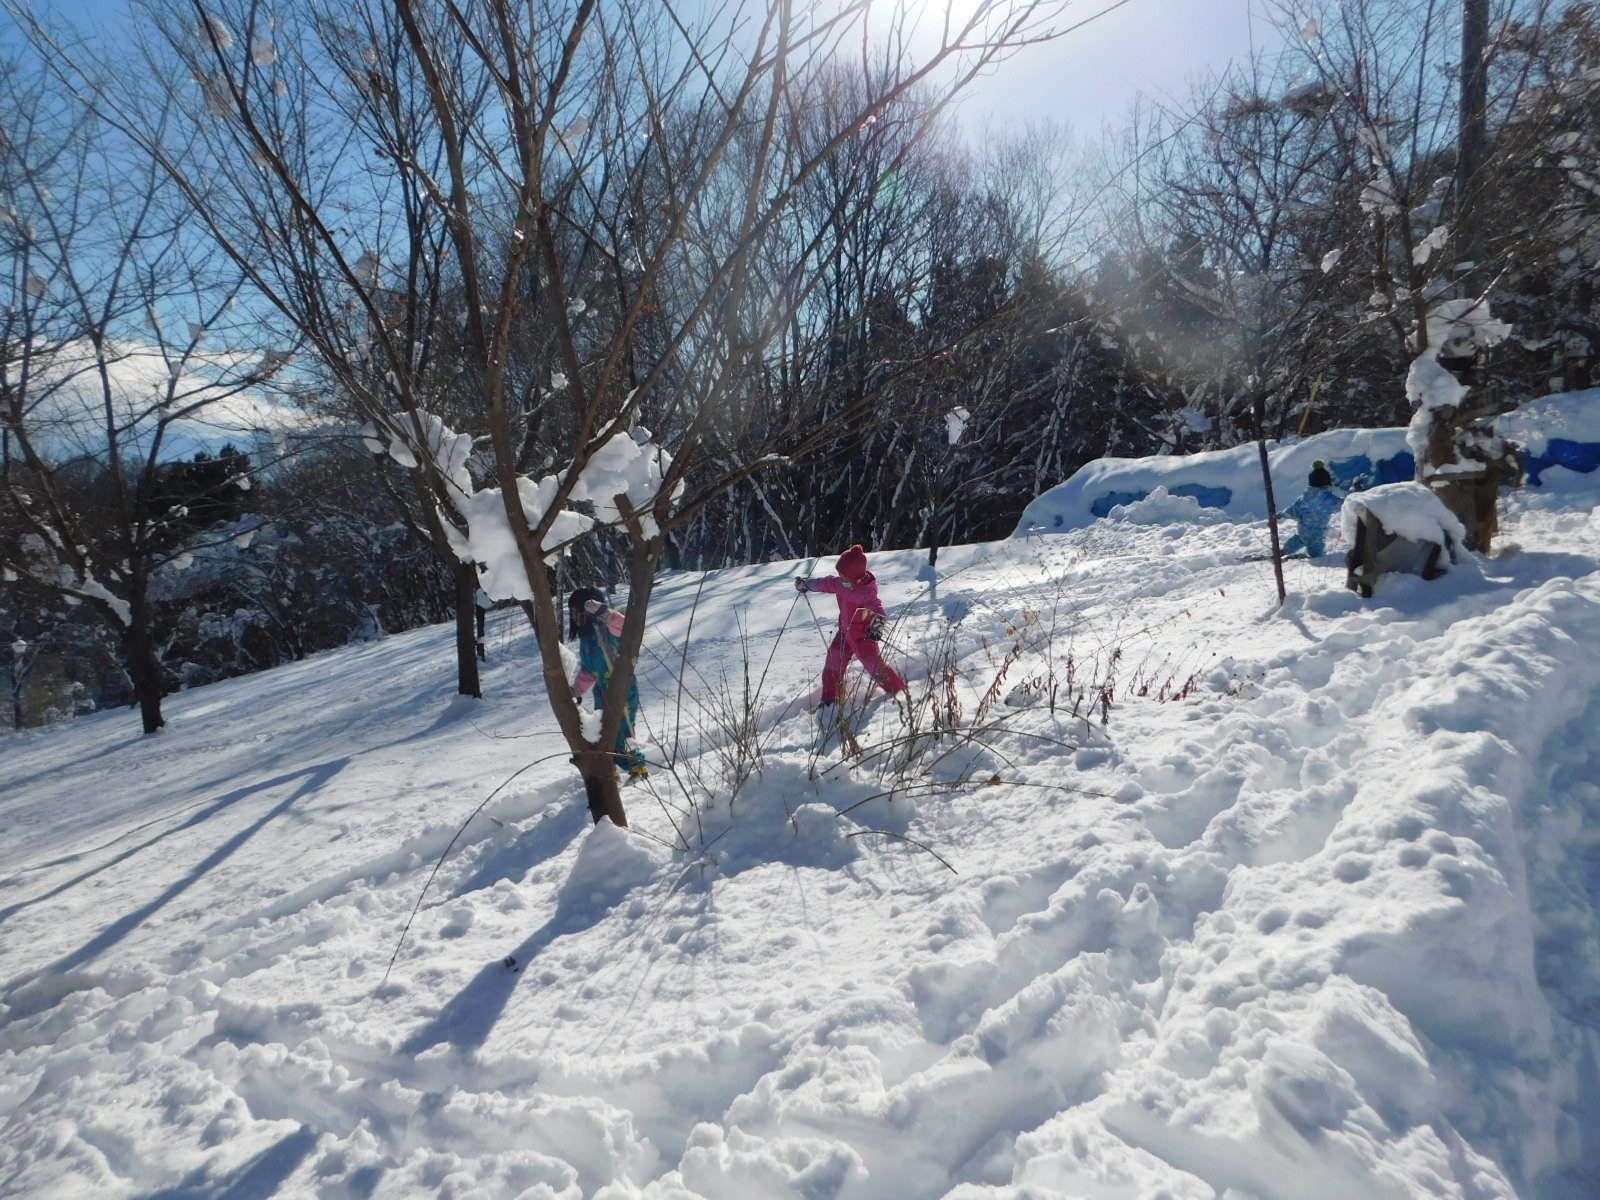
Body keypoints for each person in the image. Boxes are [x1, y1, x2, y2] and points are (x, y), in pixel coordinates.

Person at [795, 544, 906, 709]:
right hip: (844, 634)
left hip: (863, 637)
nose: (841, 578)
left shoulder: (866, 592)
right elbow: (824, 583)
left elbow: (878, 610)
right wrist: (806, 585)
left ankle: (899, 692)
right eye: (840, 575)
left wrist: (876, 627)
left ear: (856, 577)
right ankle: (828, 700)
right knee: (833, 662)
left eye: (844, 576)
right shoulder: (839, 584)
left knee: (875, 667)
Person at [568, 587, 648, 778]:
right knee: (604, 732)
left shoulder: (608, 627)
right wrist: (576, 690)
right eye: (572, 613)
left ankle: (637, 766)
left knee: (622, 731)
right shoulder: (586, 639)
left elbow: (626, 627)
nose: (574, 616)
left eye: (577, 611)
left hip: (623, 687)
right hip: (601, 693)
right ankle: (609, 768)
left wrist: (603, 612)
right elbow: (588, 670)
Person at [1279, 460, 1343, 558]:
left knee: (1298, 541)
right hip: (1316, 535)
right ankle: (1297, 558)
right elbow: (1342, 505)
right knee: (1317, 556)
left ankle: (1283, 552)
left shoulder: (1304, 498)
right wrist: (1351, 497)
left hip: (1302, 531)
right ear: (1326, 483)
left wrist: (1282, 514)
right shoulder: (1329, 499)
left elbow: (1292, 511)